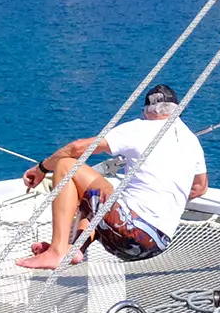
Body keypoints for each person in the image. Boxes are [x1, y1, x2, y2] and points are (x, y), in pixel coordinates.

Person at [17, 84, 207, 268]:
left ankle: (56, 252)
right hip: (157, 244)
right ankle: (74, 248)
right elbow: (200, 187)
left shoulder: (141, 127)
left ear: (147, 111)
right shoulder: (191, 140)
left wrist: (42, 168)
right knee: (100, 193)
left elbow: (77, 148)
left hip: (131, 231)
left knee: (66, 166)